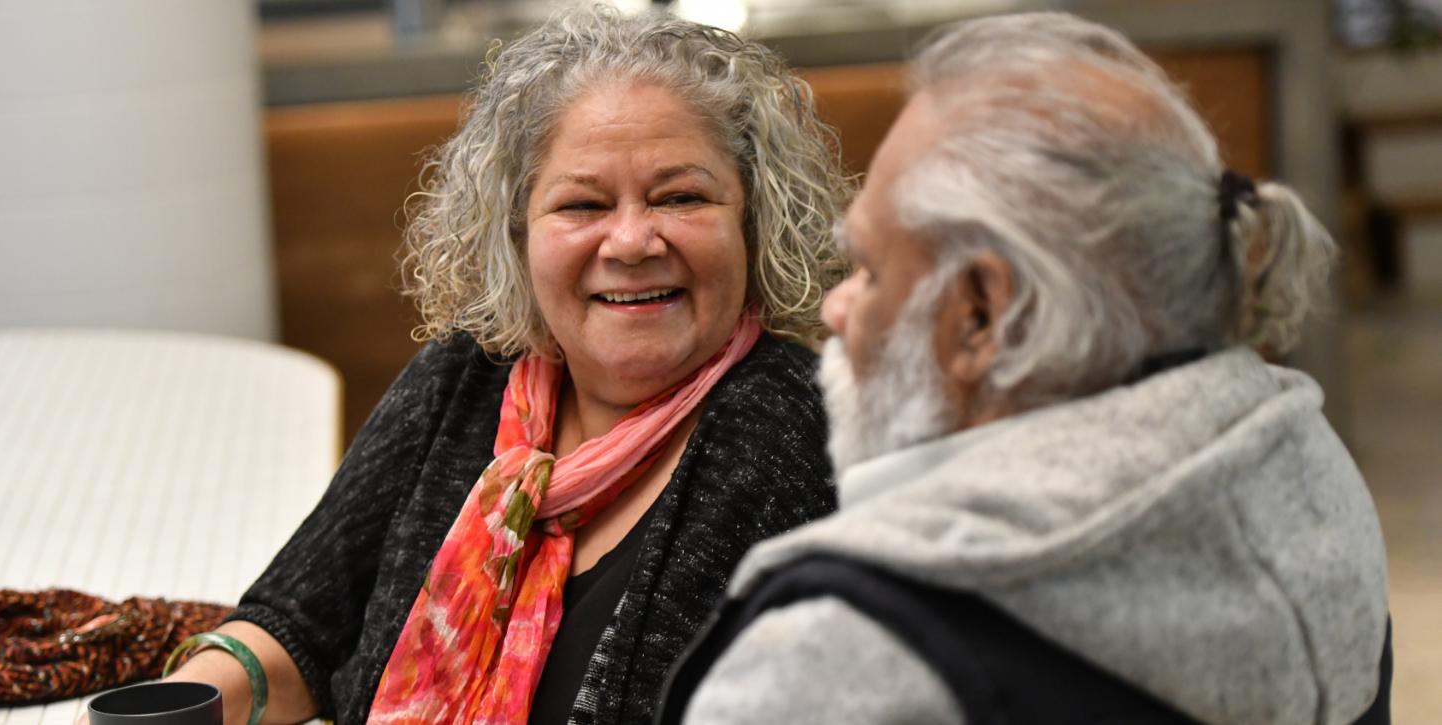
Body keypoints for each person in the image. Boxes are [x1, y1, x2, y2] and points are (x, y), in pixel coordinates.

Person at [659, 12, 1391, 725]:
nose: (837, 308)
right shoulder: (1310, 471)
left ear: (982, 312)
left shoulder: (850, 653)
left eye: (871, 270)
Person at [138, 7, 850, 725]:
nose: (632, 240)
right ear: (518, 236)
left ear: (754, 223)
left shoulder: (793, 437)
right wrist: (174, 705)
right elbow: (299, 625)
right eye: (584, 204)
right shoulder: (467, 378)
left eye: (681, 197)